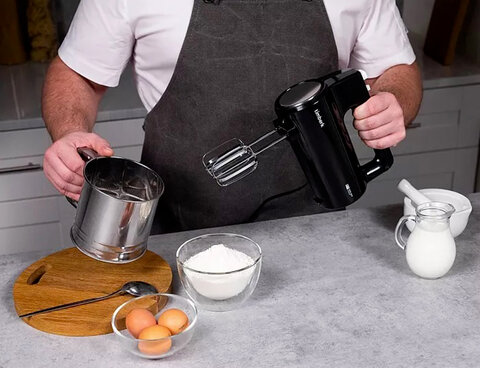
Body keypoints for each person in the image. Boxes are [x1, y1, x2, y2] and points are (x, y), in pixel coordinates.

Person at [42, 0, 422, 233]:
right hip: (178, 231)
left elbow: (397, 69)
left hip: (315, 226)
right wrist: (71, 132)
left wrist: (392, 100)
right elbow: (76, 74)